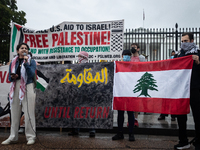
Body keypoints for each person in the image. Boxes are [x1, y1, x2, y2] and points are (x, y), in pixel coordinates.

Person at [1, 43, 36, 145]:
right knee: (14, 112)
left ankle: (31, 136)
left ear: (28, 51)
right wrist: (13, 77)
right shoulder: (13, 62)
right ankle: (13, 136)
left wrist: (26, 63)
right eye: (22, 48)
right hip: (16, 85)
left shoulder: (31, 61)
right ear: (17, 51)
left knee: (29, 112)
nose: (24, 49)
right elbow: (9, 78)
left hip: (27, 85)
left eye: (26, 48)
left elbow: (31, 74)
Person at [174, 33, 200, 150]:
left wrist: (199, 61)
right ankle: (183, 141)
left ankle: (199, 143)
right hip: (182, 90)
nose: (183, 43)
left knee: (198, 117)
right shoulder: (179, 55)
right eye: (182, 41)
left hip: (195, 89)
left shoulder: (198, 53)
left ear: (192, 40)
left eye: (186, 41)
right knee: (181, 117)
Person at [68, 51, 95, 137]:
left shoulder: (91, 67)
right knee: (77, 111)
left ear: (84, 57)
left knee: (89, 111)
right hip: (78, 92)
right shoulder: (76, 67)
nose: (79, 58)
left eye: (80, 56)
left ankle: (92, 130)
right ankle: (76, 129)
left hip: (88, 92)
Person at [112, 49, 135, 141]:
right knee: (120, 113)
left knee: (130, 113)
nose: (126, 57)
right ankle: (120, 133)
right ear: (122, 56)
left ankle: (131, 133)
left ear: (131, 57)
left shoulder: (134, 66)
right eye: (125, 55)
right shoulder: (117, 65)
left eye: (128, 55)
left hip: (130, 93)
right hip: (120, 92)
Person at [130, 43, 146, 127]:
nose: (133, 48)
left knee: (137, 101)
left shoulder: (142, 58)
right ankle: (130, 118)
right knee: (130, 101)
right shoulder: (129, 58)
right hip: (130, 81)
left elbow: (146, 67)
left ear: (138, 49)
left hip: (139, 81)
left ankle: (135, 119)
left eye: (134, 47)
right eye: (132, 47)